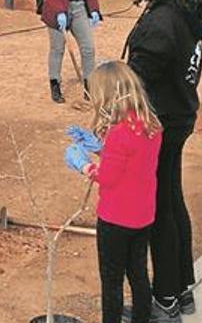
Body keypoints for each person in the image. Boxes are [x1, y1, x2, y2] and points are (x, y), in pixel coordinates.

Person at [121, 0, 202, 321]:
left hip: (158, 124)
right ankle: (182, 289)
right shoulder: (184, 12)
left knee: (158, 210)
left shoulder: (162, 23)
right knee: (172, 199)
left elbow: (135, 81)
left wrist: (106, 84)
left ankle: (165, 300)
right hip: (178, 117)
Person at [64, 61, 162, 323]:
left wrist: (84, 164)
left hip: (115, 218)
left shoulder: (119, 133)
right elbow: (130, 162)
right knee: (139, 274)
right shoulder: (151, 124)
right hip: (143, 215)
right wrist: (99, 146)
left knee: (112, 281)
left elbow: (108, 177)